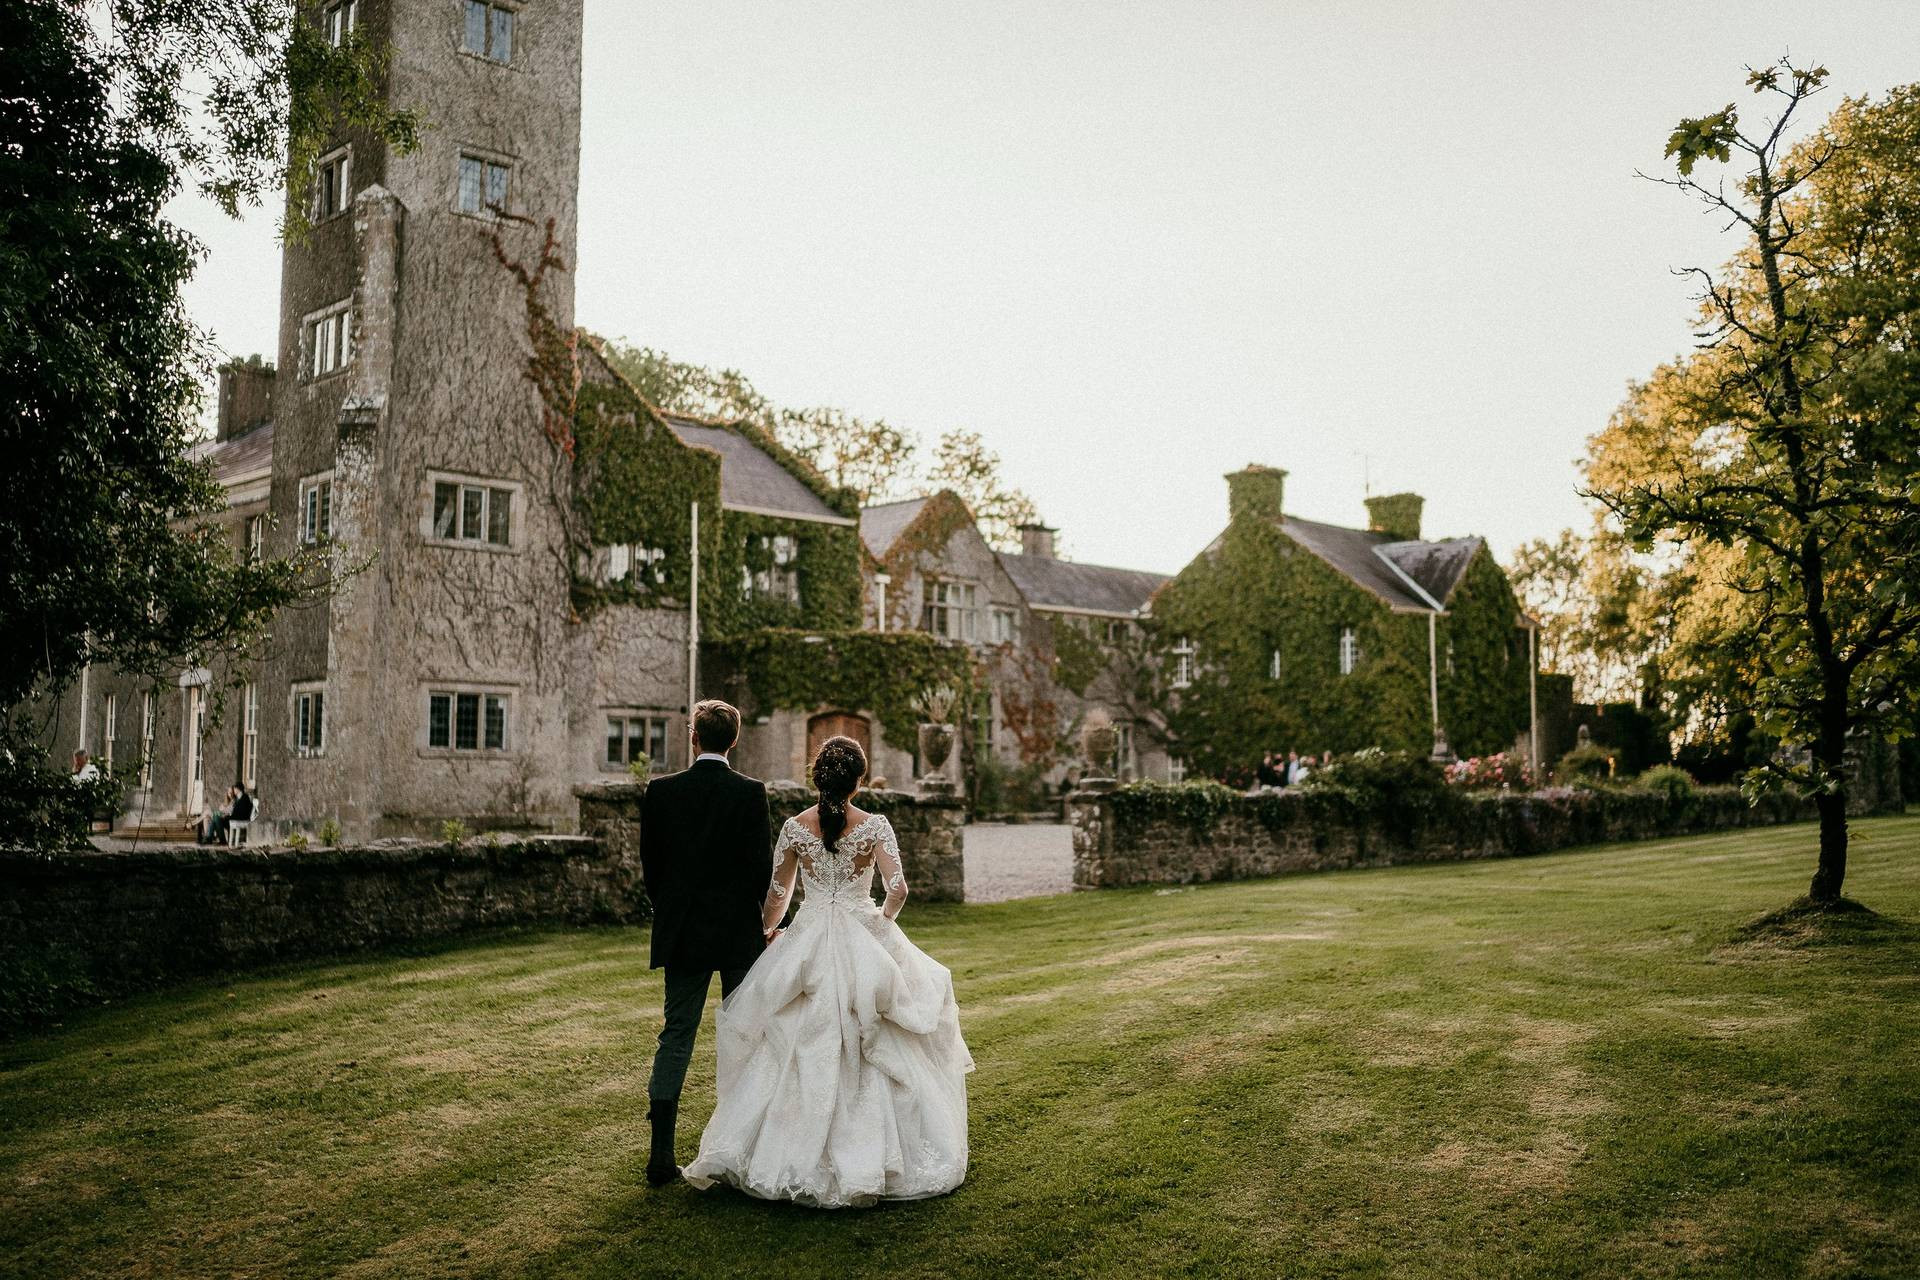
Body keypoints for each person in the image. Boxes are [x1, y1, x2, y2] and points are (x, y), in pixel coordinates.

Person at [682, 734, 974, 1207]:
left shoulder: (796, 827)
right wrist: (881, 926)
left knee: (796, 1041)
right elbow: (897, 888)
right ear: (859, 780)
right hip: (862, 928)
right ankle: (875, 1154)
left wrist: (768, 932)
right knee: (873, 1035)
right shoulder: (875, 825)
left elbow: (778, 894)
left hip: (810, 933)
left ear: (817, 776)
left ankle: (778, 1150)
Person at [639, 699, 773, 1188]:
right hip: (738, 931)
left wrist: (674, 911)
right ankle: (744, 1149)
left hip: (684, 931)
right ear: (733, 740)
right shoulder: (750, 793)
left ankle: (660, 1157)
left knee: (676, 1034)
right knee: (744, 1035)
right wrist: (749, 917)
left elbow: (652, 871)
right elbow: (760, 870)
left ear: (693, 736)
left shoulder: (661, 791)